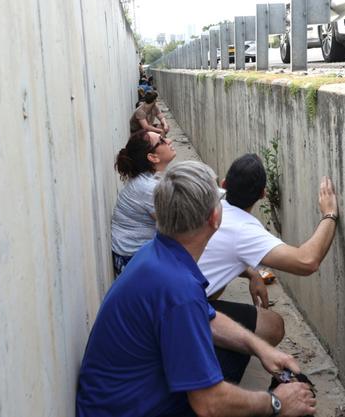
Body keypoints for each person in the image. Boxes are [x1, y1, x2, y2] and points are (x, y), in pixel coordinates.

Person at [76, 161, 316, 417]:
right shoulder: (179, 289)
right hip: (129, 409)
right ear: (214, 218)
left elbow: (206, 317)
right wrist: (275, 402)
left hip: (119, 400)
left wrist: (261, 348)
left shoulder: (159, 254)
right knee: (285, 406)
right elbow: (209, 404)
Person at [198, 153, 338, 346]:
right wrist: (329, 213)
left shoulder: (207, 198)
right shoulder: (244, 230)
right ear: (263, 194)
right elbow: (307, 261)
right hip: (180, 314)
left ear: (223, 184)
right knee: (273, 326)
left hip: (164, 298)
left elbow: (218, 250)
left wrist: (252, 274)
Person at [111, 129, 176, 276]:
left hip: (137, 256)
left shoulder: (147, 180)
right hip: (131, 262)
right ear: (153, 157)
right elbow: (175, 227)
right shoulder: (148, 188)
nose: (169, 141)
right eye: (162, 141)